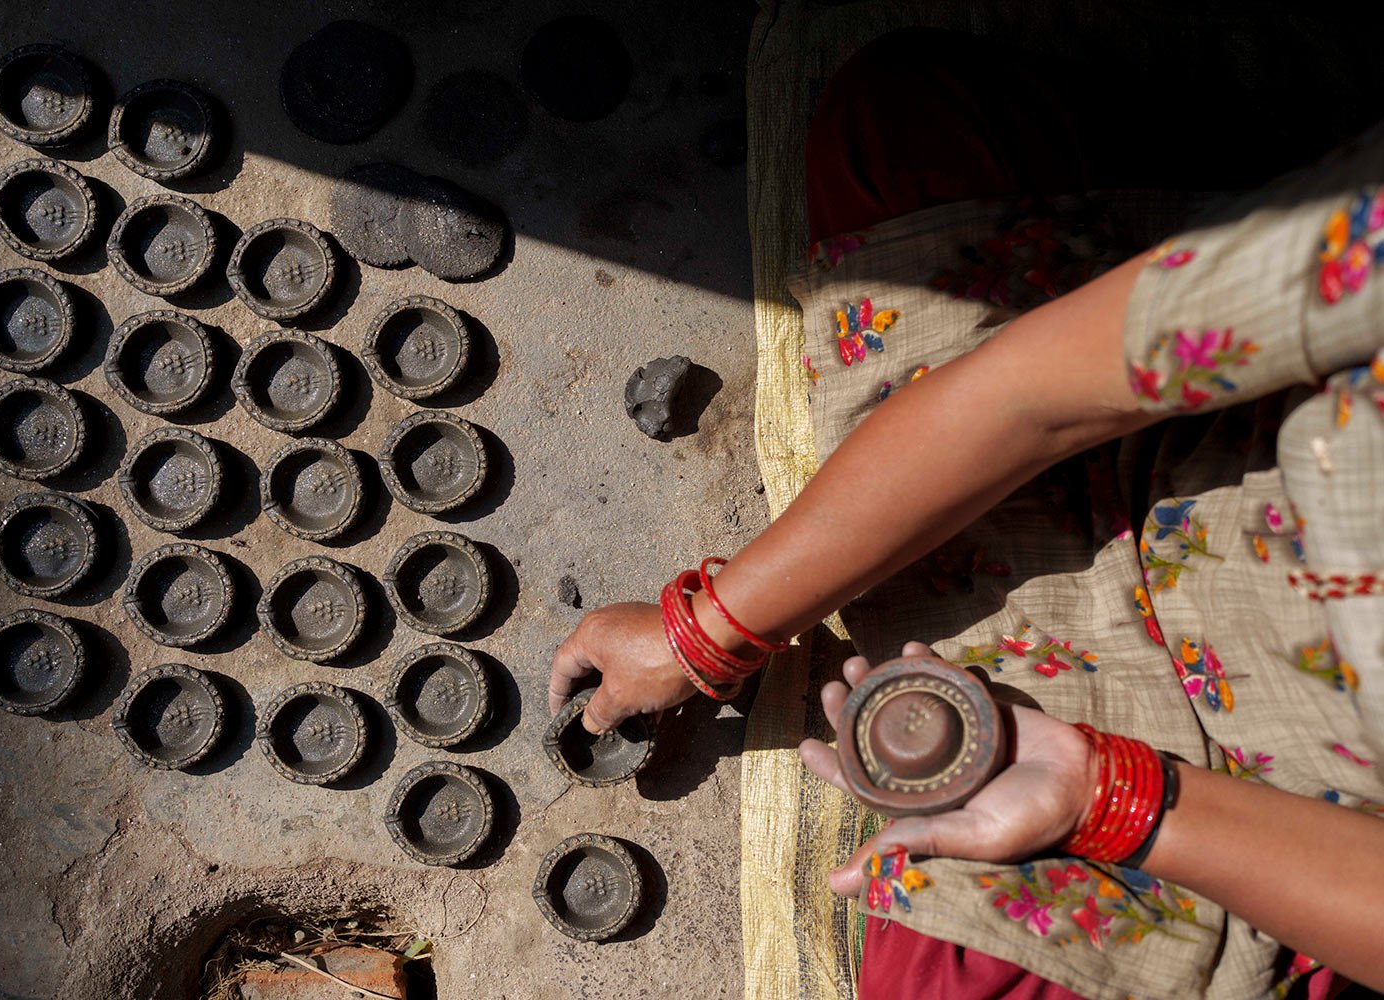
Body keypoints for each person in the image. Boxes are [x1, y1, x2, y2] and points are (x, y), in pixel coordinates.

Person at [549, 28, 1384, 1000]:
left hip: (1263, 810)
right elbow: (1025, 397)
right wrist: (713, 627)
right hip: (1182, 459)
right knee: (899, 127)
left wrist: (1105, 796)